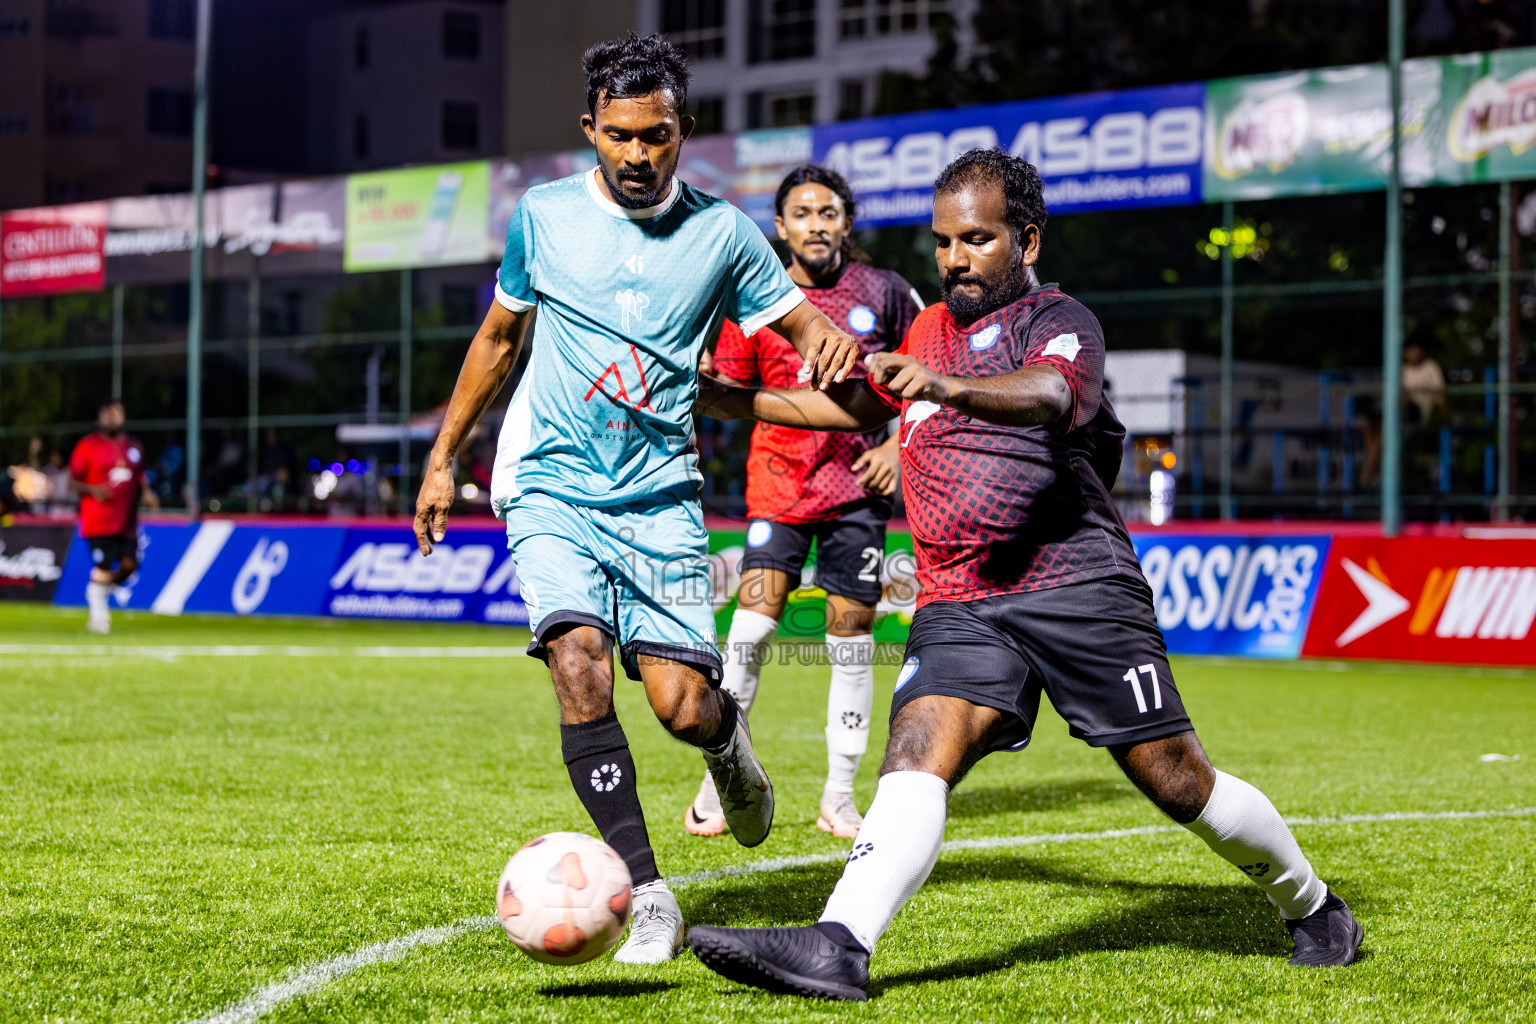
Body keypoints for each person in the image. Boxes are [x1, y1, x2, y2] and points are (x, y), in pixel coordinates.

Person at [688, 148, 1363, 1000]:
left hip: (1076, 586)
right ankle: (840, 945)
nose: (954, 259)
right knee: (916, 752)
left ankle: (1312, 904)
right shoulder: (928, 327)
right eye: (942, 242)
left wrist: (946, 384)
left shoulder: (1057, 320)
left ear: (1027, 239)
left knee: (1177, 779)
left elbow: (1050, 393)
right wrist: (732, 400)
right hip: (962, 598)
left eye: (975, 239)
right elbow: (857, 405)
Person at [411, 33, 862, 965]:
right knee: (576, 661)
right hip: (551, 484)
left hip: (658, 498)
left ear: (682, 131)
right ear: (591, 131)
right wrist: (443, 456)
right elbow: (498, 340)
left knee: (682, 707)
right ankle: (647, 890)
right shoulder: (542, 217)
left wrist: (826, 339)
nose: (636, 155)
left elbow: (800, 319)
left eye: (654, 136)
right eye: (618, 136)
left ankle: (728, 746)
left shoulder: (725, 233)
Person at [687, 165, 922, 840]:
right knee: (752, 631)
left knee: (851, 638)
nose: (816, 224)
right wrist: (700, 379)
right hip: (779, 488)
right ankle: (720, 778)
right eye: (802, 213)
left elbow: (932, 377)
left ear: (846, 222)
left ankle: (839, 796)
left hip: (857, 493)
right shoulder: (757, 296)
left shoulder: (885, 292)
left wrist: (900, 448)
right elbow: (726, 391)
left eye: (828, 212)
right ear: (781, 227)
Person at [68, 400, 159, 634]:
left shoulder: (134, 447)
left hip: (127, 520)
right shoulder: (88, 446)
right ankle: (99, 619)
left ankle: (98, 590)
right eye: (108, 414)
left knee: (130, 565)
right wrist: (93, 489)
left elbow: (140, 476)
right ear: (99, 418)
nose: (113, 418)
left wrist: (147, 493)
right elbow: (71, 481)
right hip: (98, 519)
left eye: (117, 413)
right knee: (103, 565)